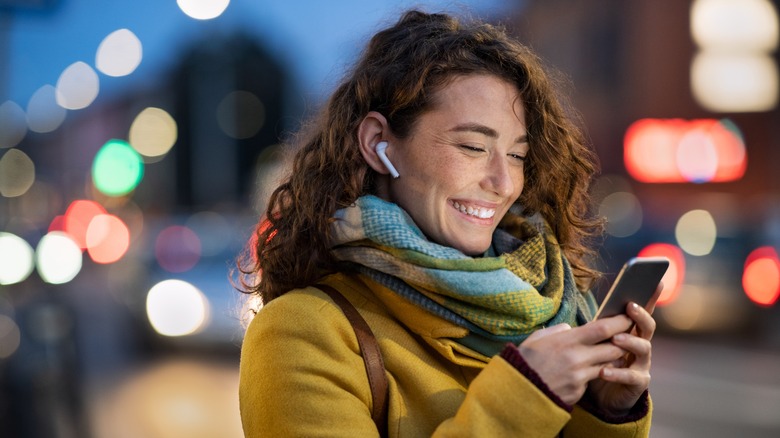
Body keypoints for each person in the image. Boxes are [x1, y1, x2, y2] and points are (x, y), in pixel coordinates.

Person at [237, 9, 658, 437]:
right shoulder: (301, 331)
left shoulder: (557, 304)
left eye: (517, 155)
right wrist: (525, 398)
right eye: (473, 147)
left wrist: (603, 411)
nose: (504, 183)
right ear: (378, 143)